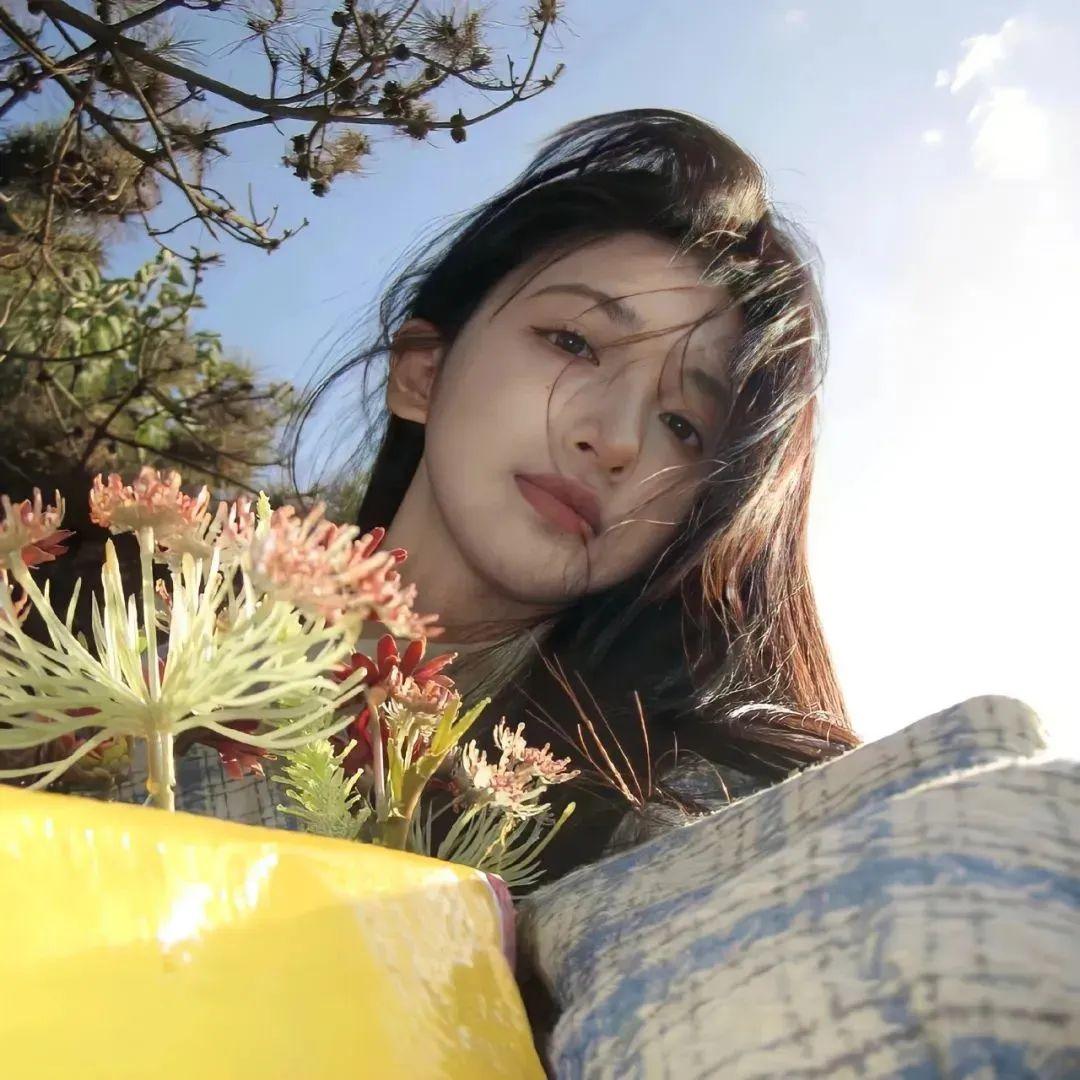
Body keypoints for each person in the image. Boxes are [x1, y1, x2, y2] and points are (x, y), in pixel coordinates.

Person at [289, 107, 861, 879]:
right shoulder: (159, 634)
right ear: (423, 372)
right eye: (574, 343)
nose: (619, 439)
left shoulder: (670, 802)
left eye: (683, 425)